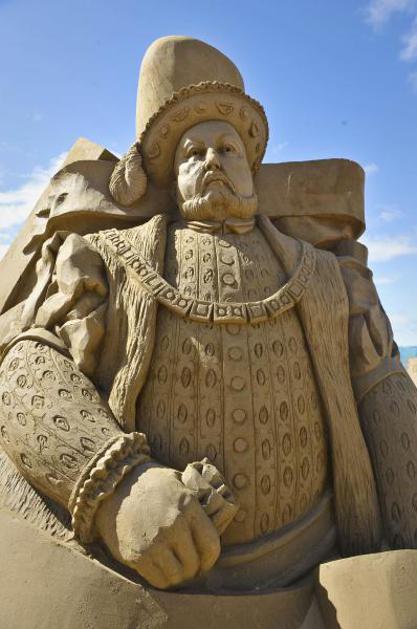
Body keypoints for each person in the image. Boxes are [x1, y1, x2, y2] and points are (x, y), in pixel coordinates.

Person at [0, 35, 417, 612]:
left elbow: (384, 392)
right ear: (172, 178)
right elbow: (25, 367)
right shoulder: (107, 258)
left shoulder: (328, 275)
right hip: (139, 588)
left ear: (251, 171)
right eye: (192, 154)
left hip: (312, 577)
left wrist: (406, 537)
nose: (212, 161)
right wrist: (119, 487)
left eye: (228, 149)